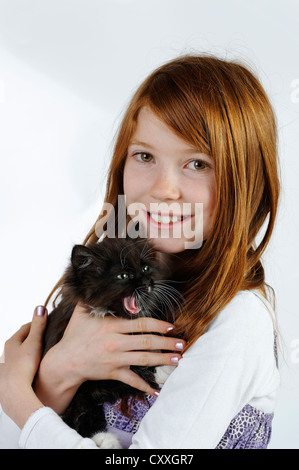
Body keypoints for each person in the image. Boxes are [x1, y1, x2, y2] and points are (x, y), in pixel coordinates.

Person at [0, 55, 280, 449]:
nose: (164, 188)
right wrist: (58, 373)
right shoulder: (104, 293)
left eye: (197, 163)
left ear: (246, 183)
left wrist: (18, 399)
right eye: (145, 156)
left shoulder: (238, 321)